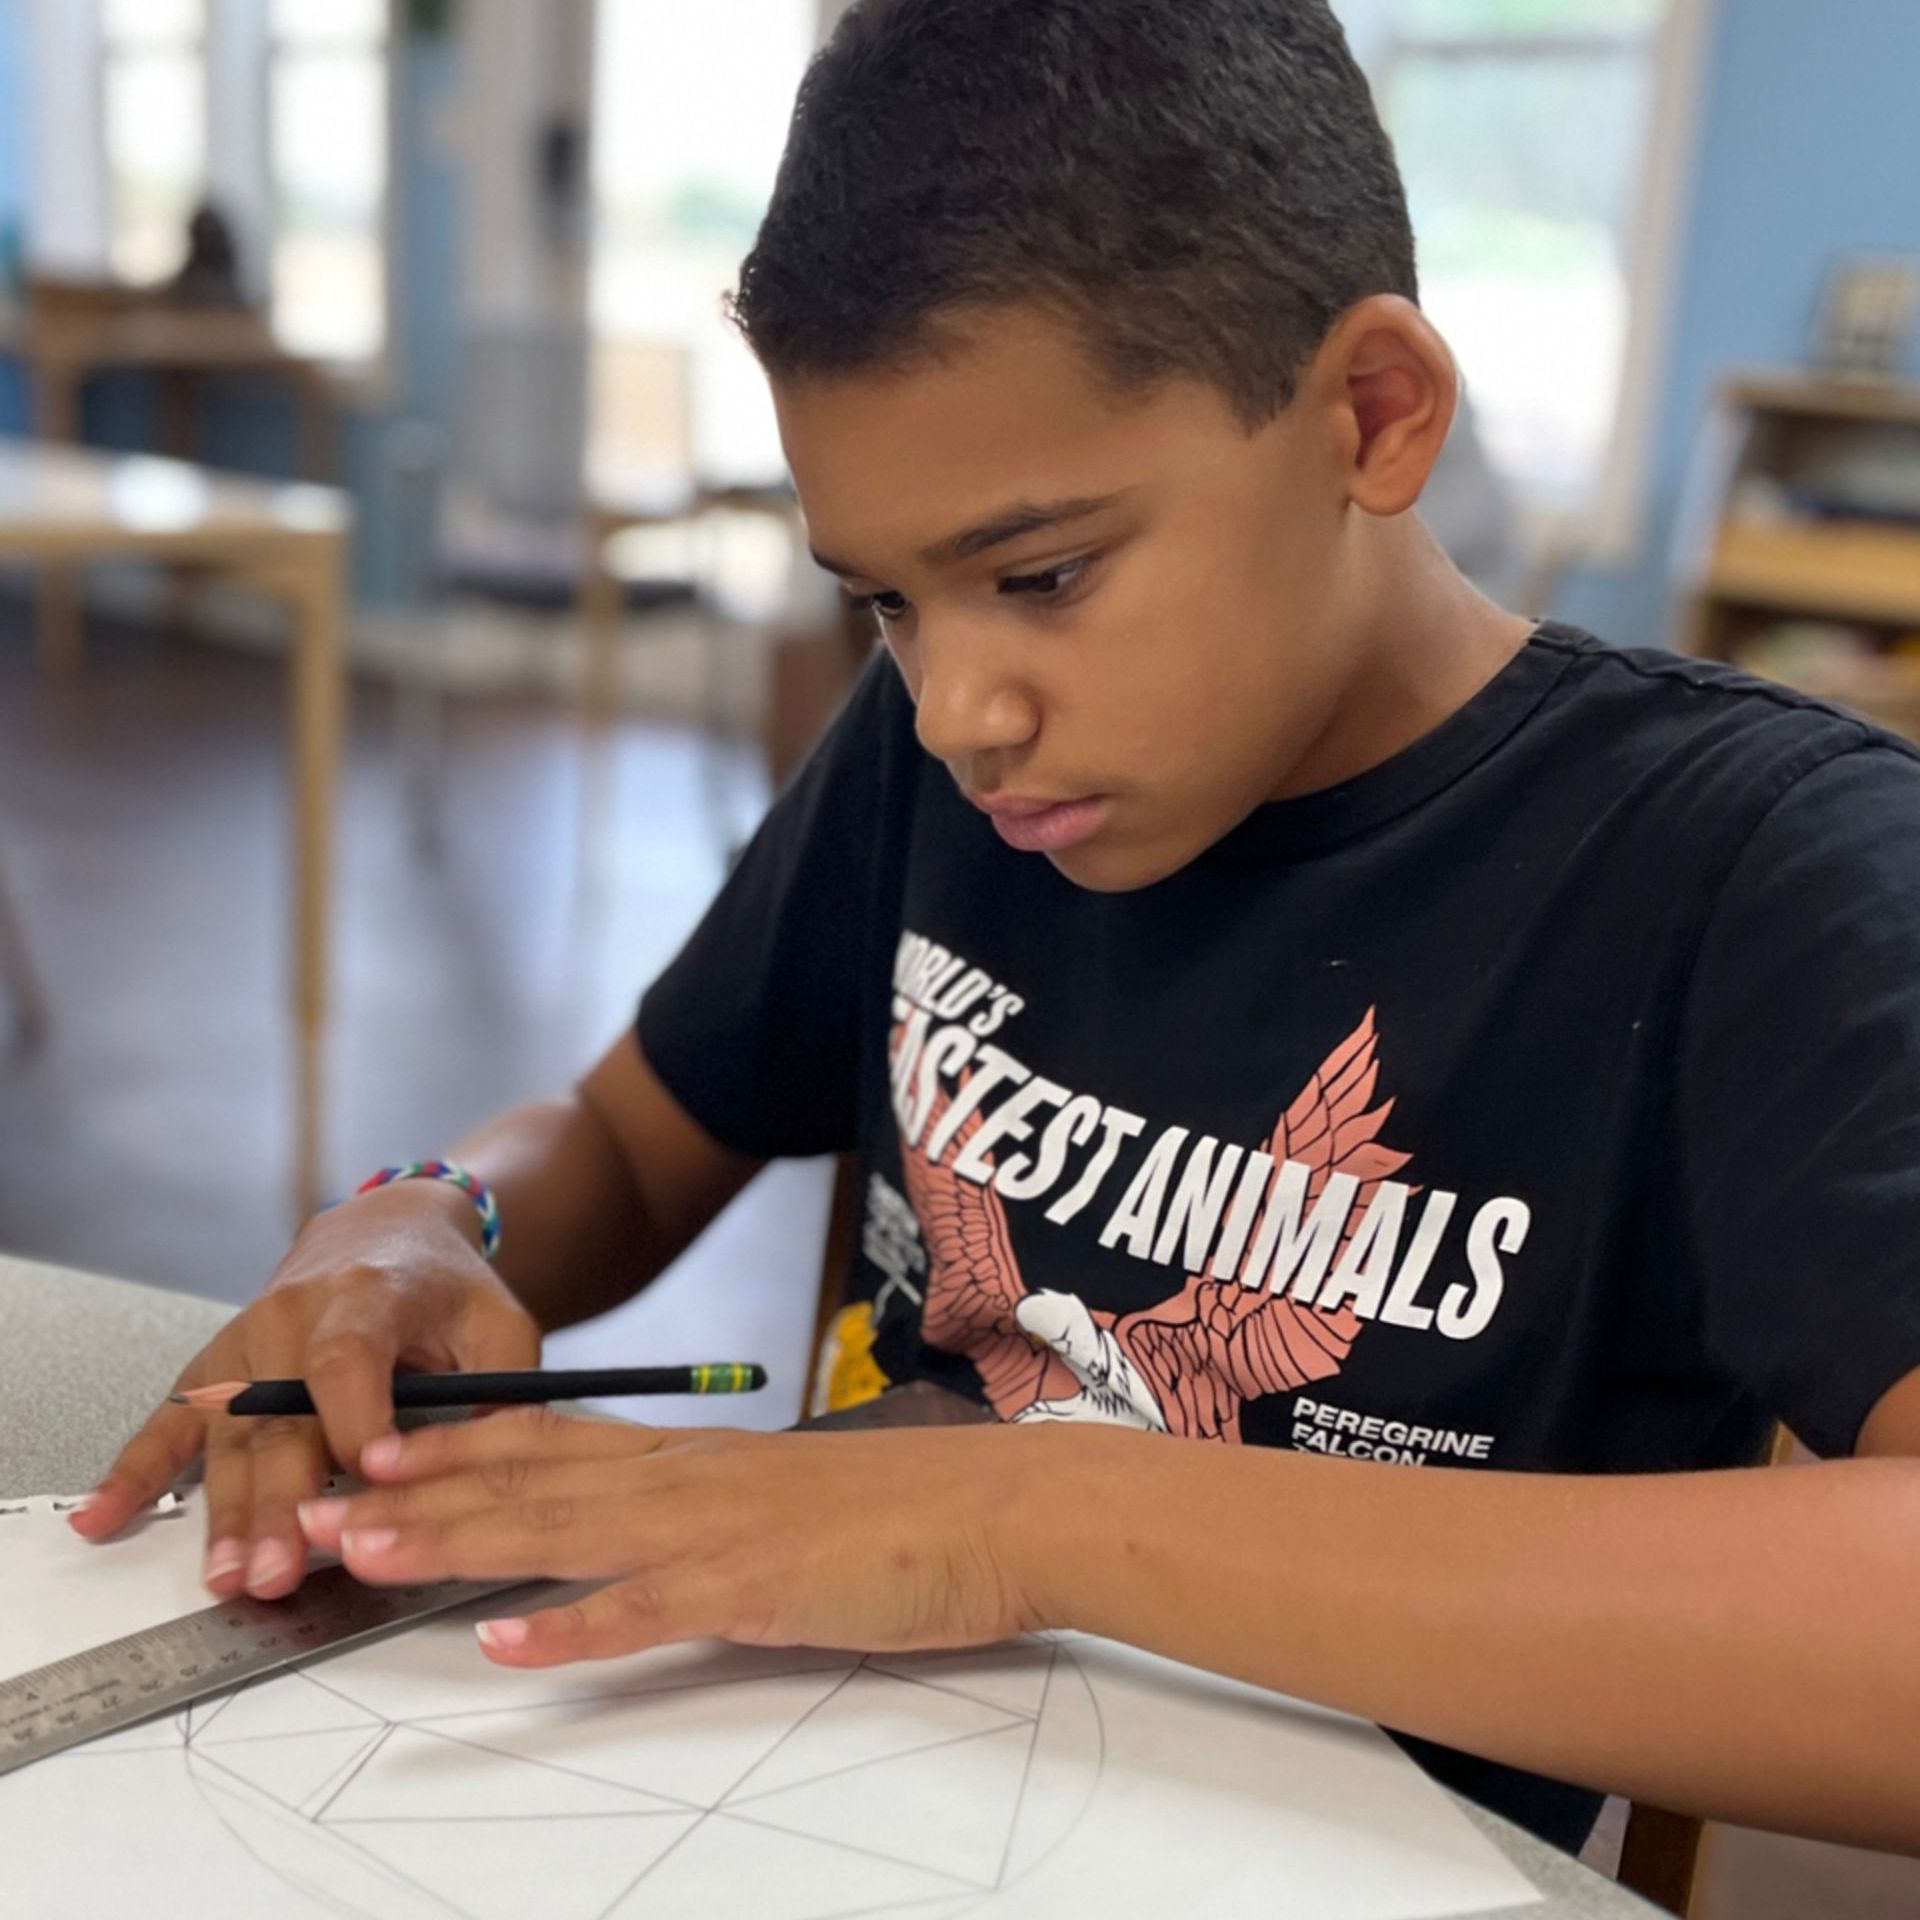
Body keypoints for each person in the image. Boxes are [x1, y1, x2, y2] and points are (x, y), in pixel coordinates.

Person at [74, 0, 1920, 1860]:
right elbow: (636, 1131)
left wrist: (1024, 1517)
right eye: (886, 600)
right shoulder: (949, 756)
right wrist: (424, 1215)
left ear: (1369, 413)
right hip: (787, 1808)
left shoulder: (1760, 865)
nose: (962, 707)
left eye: (1044, 576)